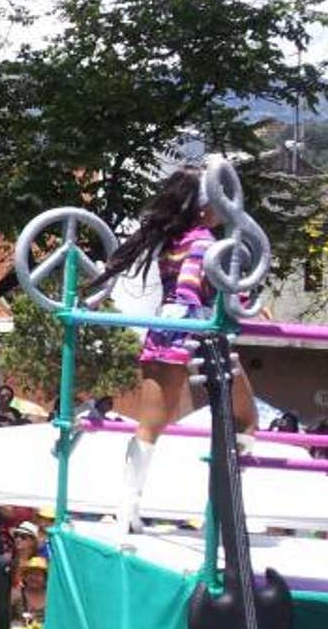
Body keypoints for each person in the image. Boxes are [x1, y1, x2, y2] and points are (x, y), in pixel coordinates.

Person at [86, 167, 257, 533]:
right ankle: (229, 507)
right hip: (203, 335)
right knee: (246, 420)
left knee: (149, 426)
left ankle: (126, 508)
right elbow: (216, 291)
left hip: (165, 329)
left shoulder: (171, 241)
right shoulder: (206, 243)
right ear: (204, 207)